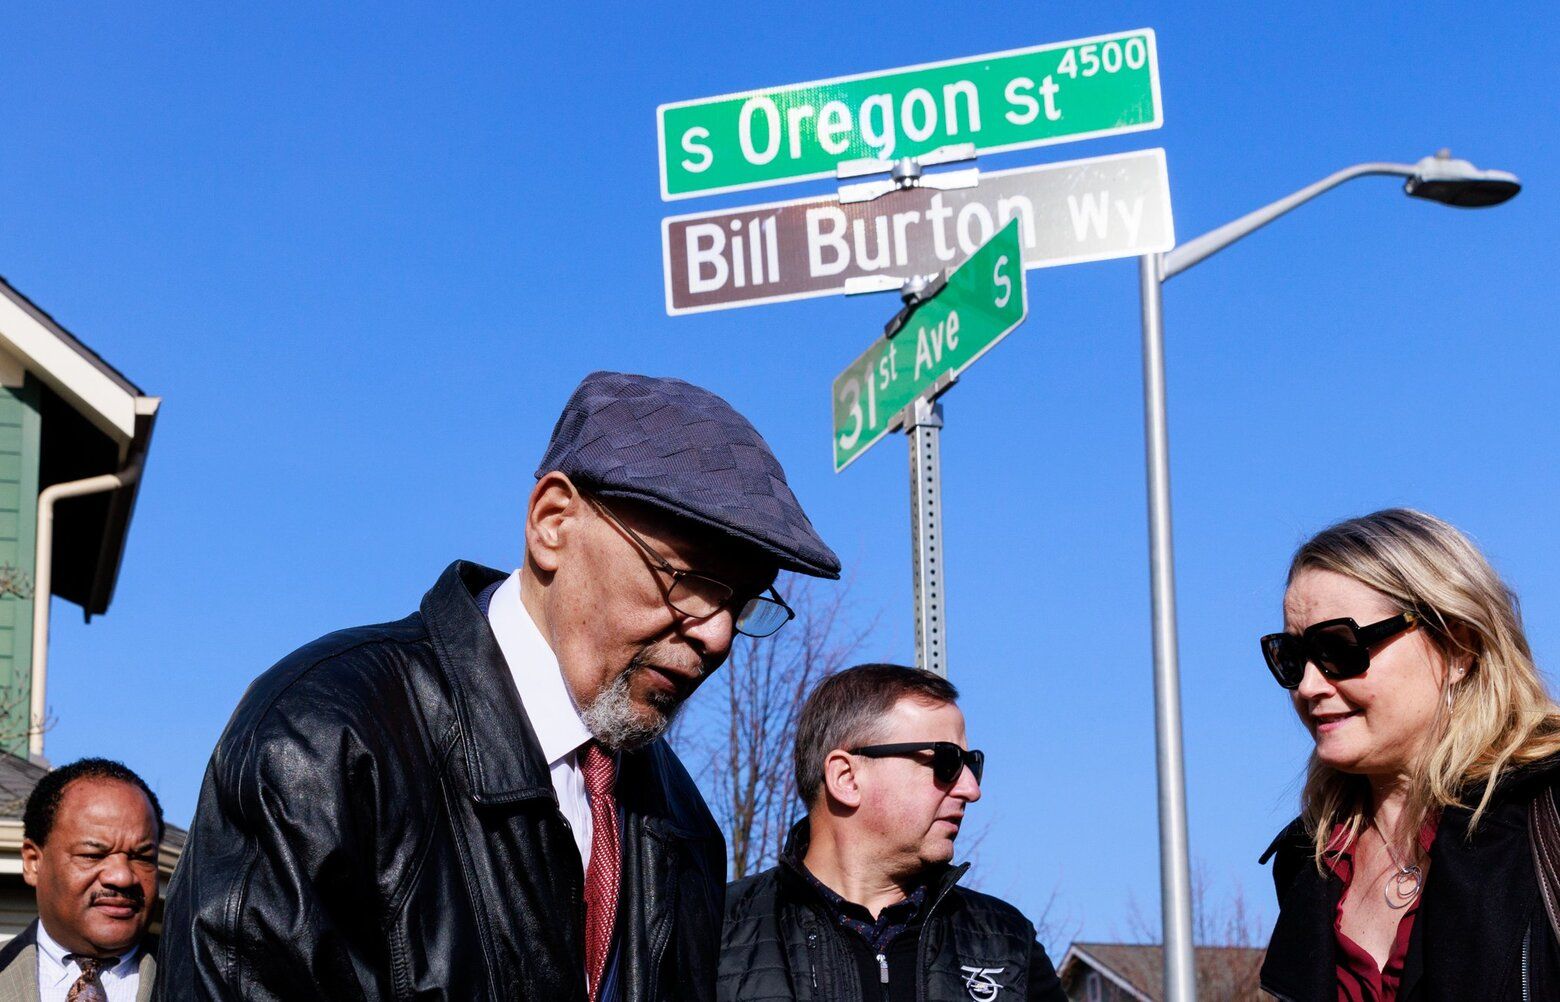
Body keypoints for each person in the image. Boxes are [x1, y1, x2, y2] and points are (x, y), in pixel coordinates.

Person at [155, 371, 842, 1001]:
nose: (717, 636)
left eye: (745, 603)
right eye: (687, 580)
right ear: (552, 523)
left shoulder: (684, 824)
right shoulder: (324, 737)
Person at [1258, 508, 1560, 1000]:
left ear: (1459, 646)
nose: (1309, 686)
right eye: (1291, 658)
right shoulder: (1307, 862)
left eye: (1339, 647)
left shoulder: (1545, 815)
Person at [719, 663, 1067, 1002]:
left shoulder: (1005, 944)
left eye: (972, 764)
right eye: (946, 762)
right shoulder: (716, 932)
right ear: (847, 778)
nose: (970, 789)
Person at [0, 758, 162, 1002]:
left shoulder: (218, 982)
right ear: (34, 862)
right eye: (92, 855)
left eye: (143, 857)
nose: (122, 876)